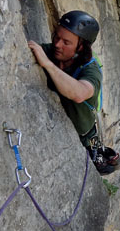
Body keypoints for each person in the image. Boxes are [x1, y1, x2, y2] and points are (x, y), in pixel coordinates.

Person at [28, 10, 103, 150]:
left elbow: (80, 93)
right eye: (56, 36)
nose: (57, 44)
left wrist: (48, 65)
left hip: (82, 140)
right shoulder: (50, 51)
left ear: (81, 47)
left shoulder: (90, 69)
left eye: (66, 42)